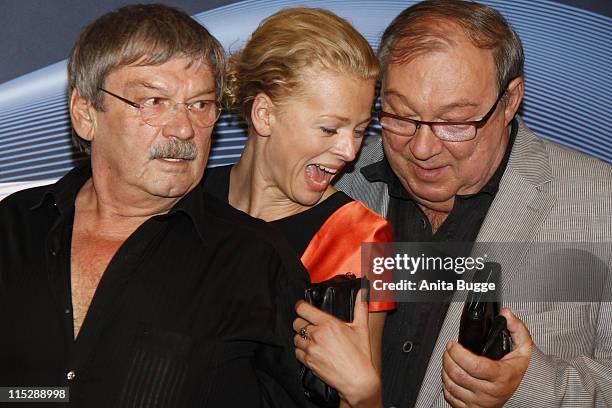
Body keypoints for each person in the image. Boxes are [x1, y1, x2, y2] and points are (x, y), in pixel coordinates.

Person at [0, 5, 310, 407]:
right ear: (85, 115)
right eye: (153, 101)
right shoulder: (12, 229)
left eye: (200, 105)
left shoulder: (257, 262)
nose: (184, 129)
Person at [334, 0, 612, 407]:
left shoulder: (599, 204)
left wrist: (528, 387)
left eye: (454, 123)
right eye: (400, 115)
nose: (422, 148)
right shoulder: (341, 178)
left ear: (510, 99)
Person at [202, 8, 393, 408]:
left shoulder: (362, 236)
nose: (349, 151)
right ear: (265, 114)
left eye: (359, 130)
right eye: (330, 128)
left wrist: (365, 392)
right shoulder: (190, 199)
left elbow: (361, 391)